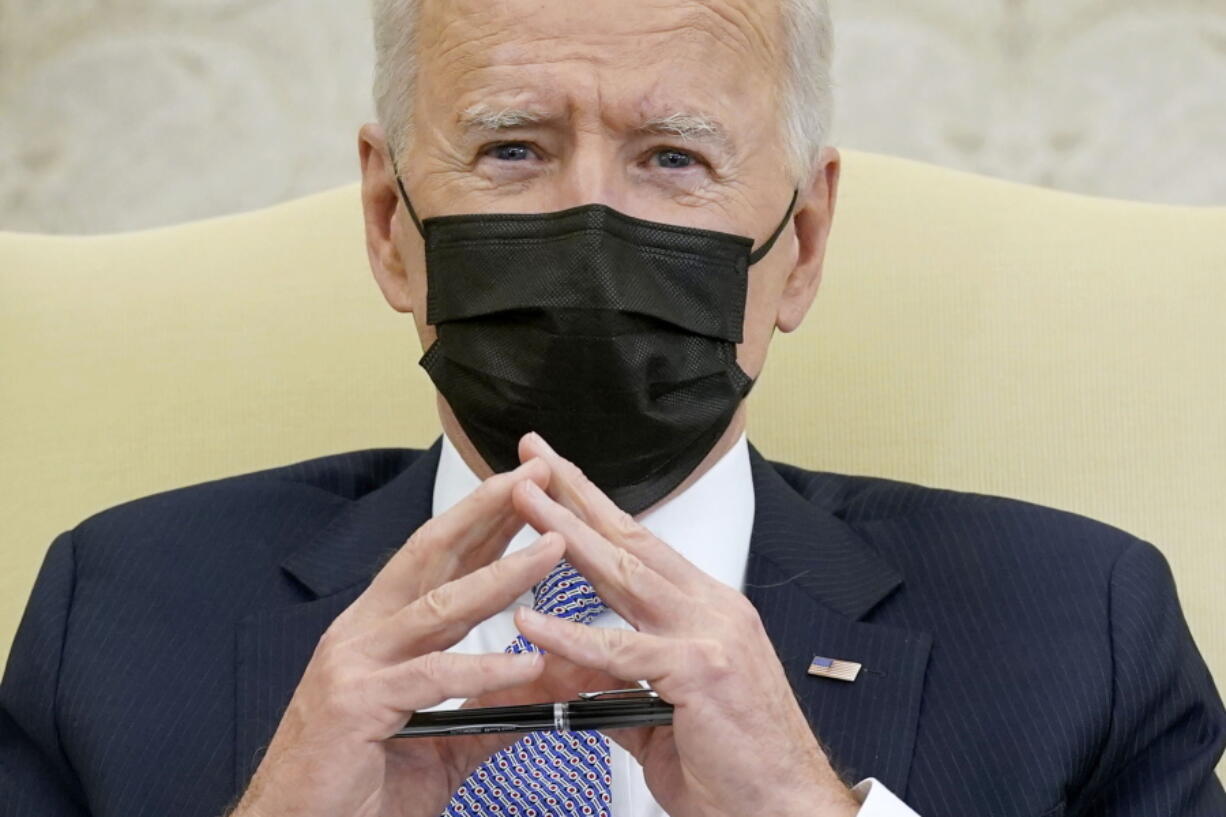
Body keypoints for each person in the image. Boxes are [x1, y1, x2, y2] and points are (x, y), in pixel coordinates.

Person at [3, 0, 1225, 815]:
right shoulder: (114, 612)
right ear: (390, 226)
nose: (592, 229)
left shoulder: (1077, 627)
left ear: (798, 246)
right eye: (513, 151)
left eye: (673, 159)